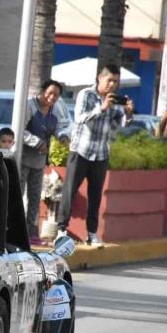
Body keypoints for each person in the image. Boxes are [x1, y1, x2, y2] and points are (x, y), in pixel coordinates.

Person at [56, 63, 134, 246]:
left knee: (96, 196)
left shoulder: (114, 100)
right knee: (69, 192)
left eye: (116, 81)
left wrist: (128, 114)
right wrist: (102, 107)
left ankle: (91, 234)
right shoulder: (86, 94)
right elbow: (79, 118)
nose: (112, 85)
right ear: (100, 78)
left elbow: (119, 125)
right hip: (81, 150)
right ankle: (61, 230)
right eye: (110, 80)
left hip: (101, 153)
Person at [21, 80, 67, 244]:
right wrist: (37, 142)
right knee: (17, 195)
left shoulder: (55, 110)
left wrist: (62, 136)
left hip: (39, 162)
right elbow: (20, 129)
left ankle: (32, 233)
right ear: (42, 92)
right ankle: (12, 229)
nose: (52, 97)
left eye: (56, 95)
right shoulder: (29, 106)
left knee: (35, 197)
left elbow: (58, 127)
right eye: (49, 93)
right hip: (23, 159)